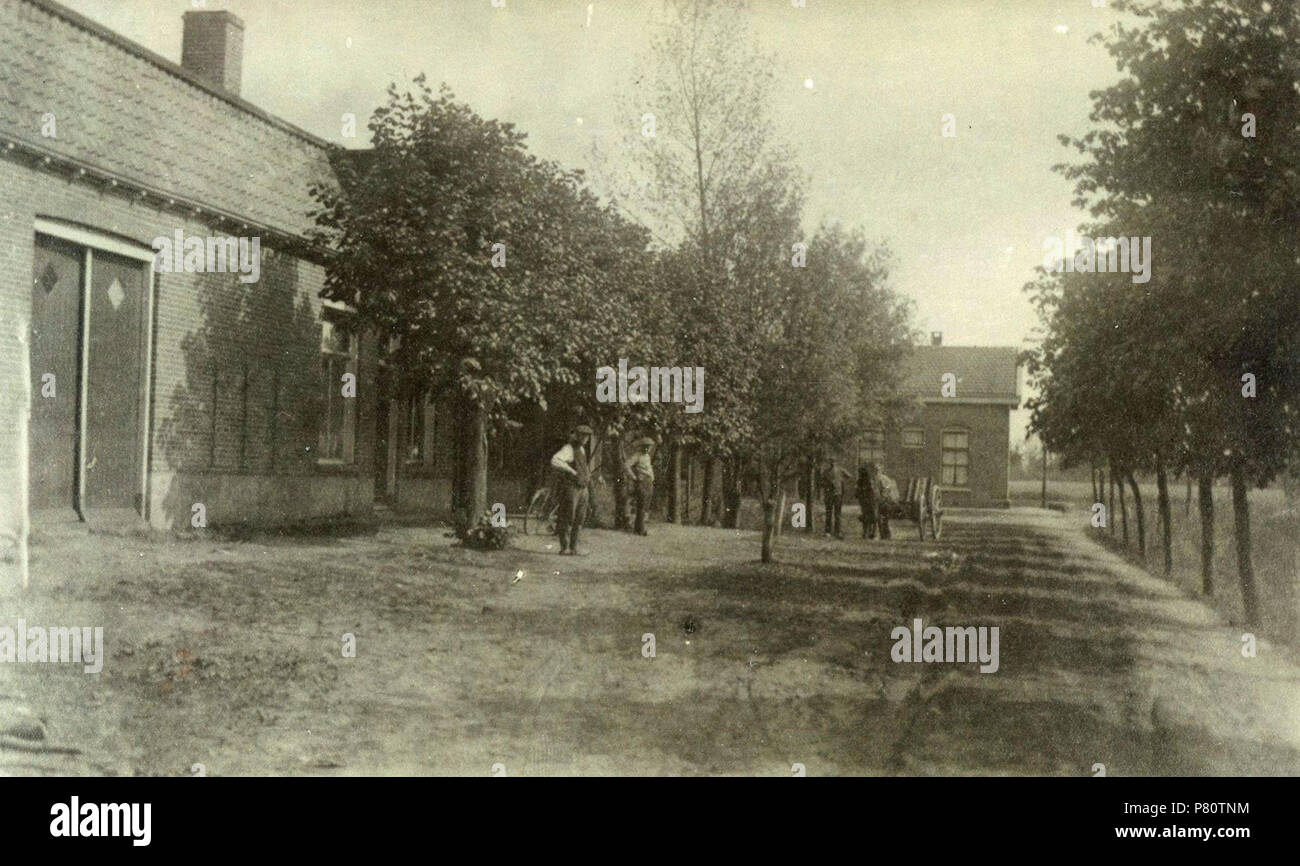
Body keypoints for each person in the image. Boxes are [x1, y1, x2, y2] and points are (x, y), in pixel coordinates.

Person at [550, 425, 593, 555]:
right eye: (582, 435)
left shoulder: (582, 449)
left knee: (579, 518)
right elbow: (555, 460)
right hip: (571, 487)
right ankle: (565, 547)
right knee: (567, 516)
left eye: (587, 436)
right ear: (576, 435)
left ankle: (574, 547)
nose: (585, 438)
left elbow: (582, 466)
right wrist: (571, 471)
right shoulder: (568, 448)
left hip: (583, 488)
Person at [623, 437, 655, 536]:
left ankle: (638, 527)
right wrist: (633, 476)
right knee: (642, 505)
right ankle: (641, 529)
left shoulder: (647, 456)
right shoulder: (637, 455)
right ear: (642, 446)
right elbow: (626, 465)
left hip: (648, 482)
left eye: (649, 447)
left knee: (646, 505)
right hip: (641, 481)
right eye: (645, 446)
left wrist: (652, 478)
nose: (647, 448)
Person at [858, 461, 896, 540]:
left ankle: (883, 534)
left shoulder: (884, 478)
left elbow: (887, 490)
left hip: (884, 501)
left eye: (878, 470)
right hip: (873, 500)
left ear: (881, 470)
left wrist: (883, 497)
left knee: (879, 516)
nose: (876, 471)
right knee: (869, 514)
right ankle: (868, 532)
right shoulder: (871, 479)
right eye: (875, 470)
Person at [819, 458, 853, 539]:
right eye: (831, 462)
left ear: (836, 462)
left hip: (838, 494)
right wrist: (826, 485)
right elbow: (820, 482)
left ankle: (837, 532)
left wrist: (843, 484)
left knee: (837, 514)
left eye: (834, 462)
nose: (832, 464)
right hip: (829, 495)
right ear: (829, 463)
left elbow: (850, 477)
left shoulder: (841, 470)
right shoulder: (826, 472)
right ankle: (828, 532)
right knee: (828, 513)